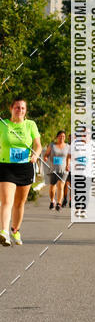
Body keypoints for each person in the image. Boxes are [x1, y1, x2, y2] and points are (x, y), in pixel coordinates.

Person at [0, 97, 42, 246]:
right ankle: (4, 232)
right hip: (6, 167)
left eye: (23, 108)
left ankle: (15, 230)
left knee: (19, 203)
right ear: (11, 108)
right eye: (17, 107)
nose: (20, 110)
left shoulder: (30, 125)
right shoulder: (3, 124)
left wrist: (35, 155)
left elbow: (38, 145)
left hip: (25, 167)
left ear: (26, 111)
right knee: (7, 201)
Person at [43, 130, 70, 212]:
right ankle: (52, 201)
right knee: (52, 187)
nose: (62, 138)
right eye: (60, 136)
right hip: (53, 169)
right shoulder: (52, 145)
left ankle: (59, 203)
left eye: (63, 136)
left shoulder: (67, 146)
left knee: (61, 186)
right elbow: (46, 154)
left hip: (63, 170)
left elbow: (69, 157)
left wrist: (68, 165)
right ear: (57, 137)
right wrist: (46, 157)